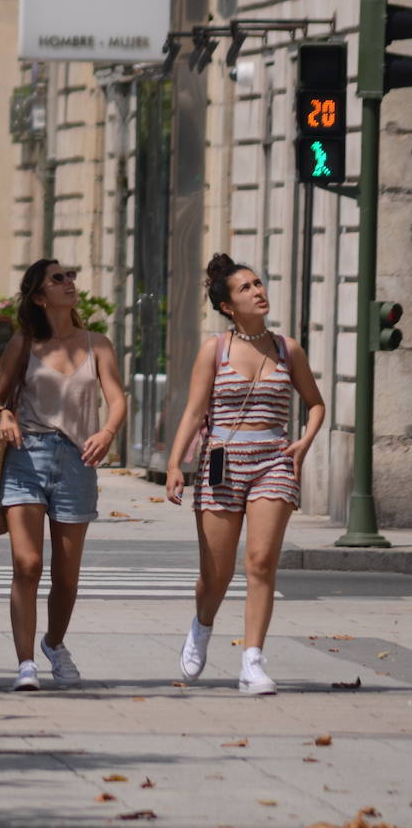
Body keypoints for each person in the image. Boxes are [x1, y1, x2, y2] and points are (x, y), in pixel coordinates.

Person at [164, 254, 325, 695]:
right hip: (222, 465)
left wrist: (303, 442)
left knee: (260, 562)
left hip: (274, 460)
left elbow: (315, 403)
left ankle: (252, 660)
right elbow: (194, 411)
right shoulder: (213, 351)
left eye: (259, 283)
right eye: (246, 288)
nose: (258, 291)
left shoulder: (288, 349)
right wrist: (176, 463)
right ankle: (202, 624)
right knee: (215, 575)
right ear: (228, 306)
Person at [0, 259, 127, 691]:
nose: (70, 283)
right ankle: (25, 663)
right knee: (27, 565)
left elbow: (117, 399)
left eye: (71, 277)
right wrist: (5, 414)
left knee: (66, 578)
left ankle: (54, 643)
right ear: (40, 297)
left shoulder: (97, 344)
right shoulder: (24, 344)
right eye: (59, 279)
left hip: (78, 461)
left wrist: (107, 431)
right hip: (28, 455)